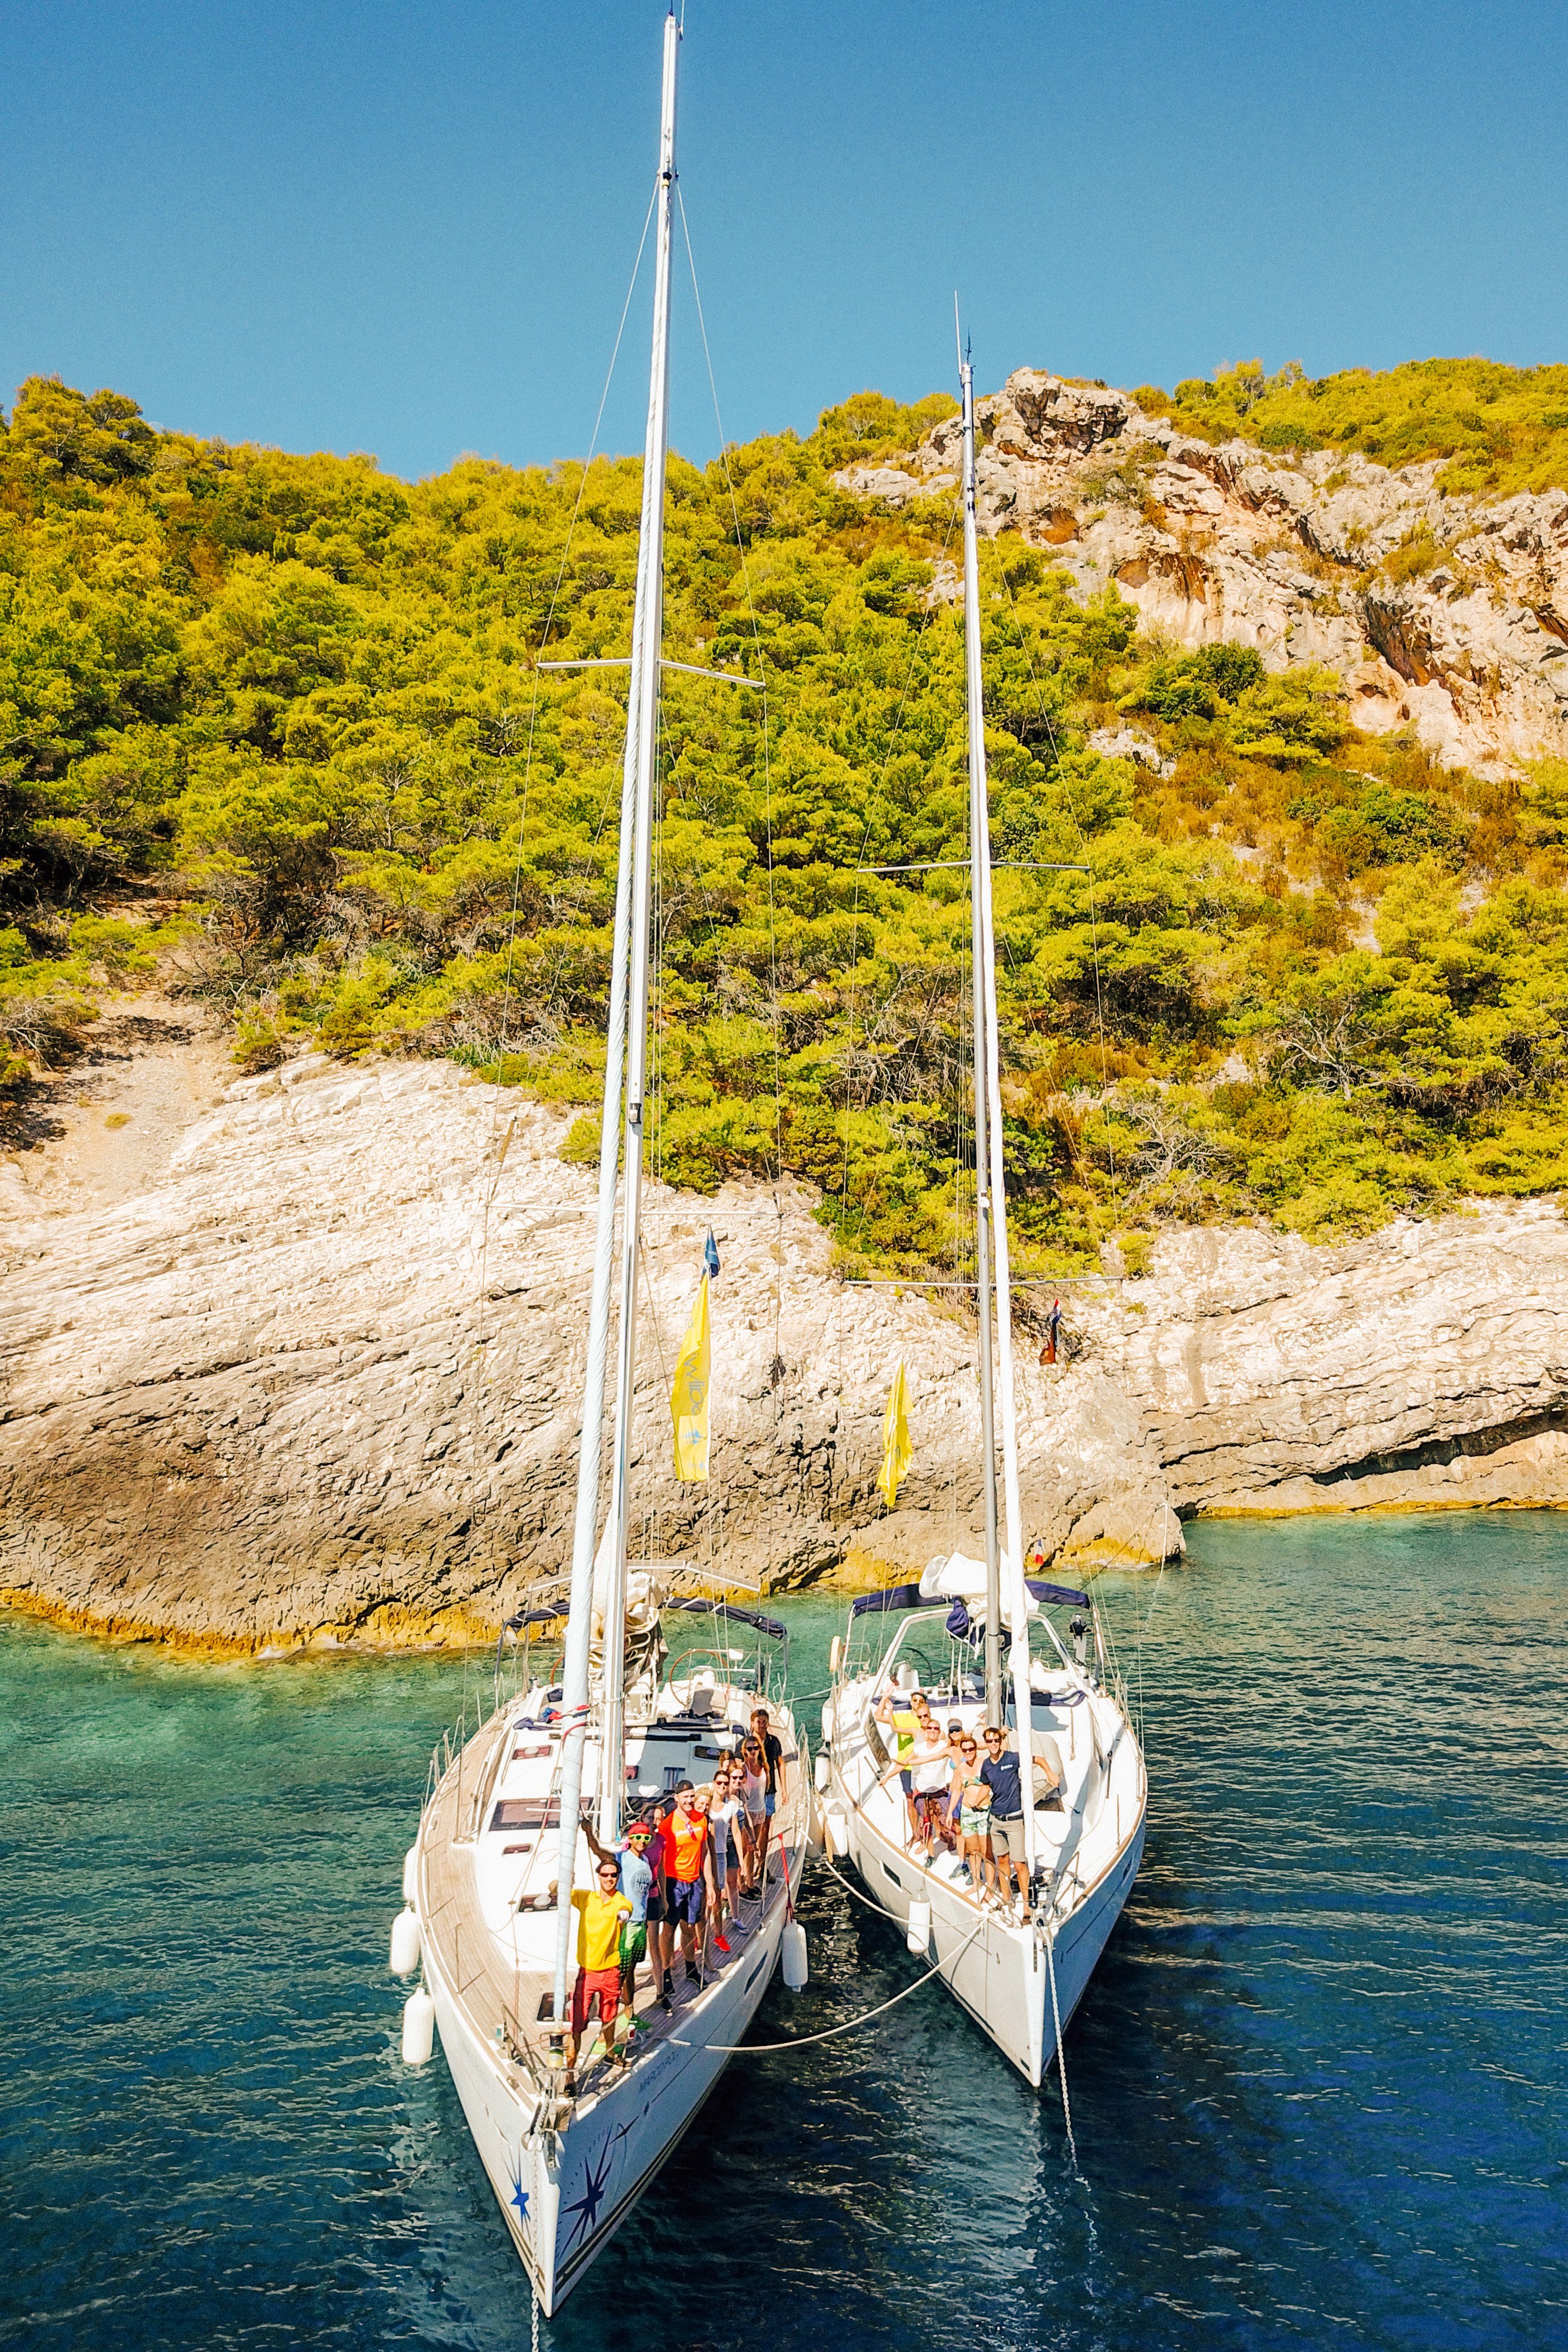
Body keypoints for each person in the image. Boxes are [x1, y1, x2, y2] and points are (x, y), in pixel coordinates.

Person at [553, 1856, 633, 2096]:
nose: (609, 1879)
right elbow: (555, 1891)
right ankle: (570, 2073)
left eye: (613, 1875)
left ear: (618, 1878)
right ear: (598, 1876)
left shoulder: (622, 1901)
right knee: (577, 2023)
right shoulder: (586, 1898)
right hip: (587, 1972)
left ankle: (610, 2054)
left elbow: (626, 1911)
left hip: (610, 1970)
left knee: (608, 2018)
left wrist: (623, 1916)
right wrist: (565, 1881)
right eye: (605, 1875)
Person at [586, 1814, 656, 2013]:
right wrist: (589, 1832)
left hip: (640, 1923)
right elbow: (598, 1850)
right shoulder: (621, 1858)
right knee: (619, 1973)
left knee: (631, 1970)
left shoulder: (645, 1861)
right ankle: (608, 2020)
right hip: (625, 1924)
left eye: (646, 1838)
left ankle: (629, 2013)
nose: (642, 1842)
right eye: (638, 1837)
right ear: (630, 1839)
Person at [656, 1779, 710, 1990]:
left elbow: (704, 1851)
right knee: (669, 1929)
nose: (689, 1800)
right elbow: (660, 1862)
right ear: (676, 1799)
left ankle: (690, 1969)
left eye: (691, 1796)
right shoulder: (667, 1826)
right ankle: (666, 1972)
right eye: (685, 1797)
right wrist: (662, 1895)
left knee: (689, 1927)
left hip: (694, 1880)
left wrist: (710, 1883)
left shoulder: (701, 1820)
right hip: (673, 1882)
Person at [979, 1724, 1032, 1920]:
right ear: (985, 1743)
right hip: (996, 1819)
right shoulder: (986, 1765)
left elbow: (1036, 1759)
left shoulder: (1012, 1758)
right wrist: (975, 1802)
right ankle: (1006, 1898)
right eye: (989, 1741)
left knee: (1019, 1863)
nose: (993, 1744)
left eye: (996, 1740)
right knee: (1002, 1860)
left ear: (1001, 1741)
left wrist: (1051, 1774)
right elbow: (986, 1786)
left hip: (1014, 1820)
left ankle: (1027, 1907)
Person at [945, 1734, 995, 1898]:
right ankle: (976, 1883)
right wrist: (951, 1812)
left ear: (976, 1749)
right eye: (965, 1750)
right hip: (967, 1812)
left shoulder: (985, 1764)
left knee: (987, 1851)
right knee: (973, 1851)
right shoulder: (961, 1767)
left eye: (971, 1749)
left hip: (984, 1811)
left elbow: (990, 1786)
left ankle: (990, 1886)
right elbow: (957, 1790)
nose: (968, 1752)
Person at [873, 1684, 923, 1843]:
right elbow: (878, 1716)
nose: (918, 1703)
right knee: (910, 1800)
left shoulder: (926, 1720)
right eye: (915, 1700)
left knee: (924, 1800)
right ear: (911, 1702)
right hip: (905, 1766)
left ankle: (925, 1833)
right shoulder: (903, 1718)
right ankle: (915, 1833)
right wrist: (886, 1697)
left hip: (921, 1764)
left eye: (921, 1701)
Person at [909, 1709, 952, 1860]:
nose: (933, 1731)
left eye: (936, 1729)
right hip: (922, 1790)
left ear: (940, 1731)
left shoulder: (944, 1746)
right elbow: (905, 1763)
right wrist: (887, 1777)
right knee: (927, 1823)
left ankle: (951, 1840)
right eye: (930, 1729)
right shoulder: (919, 1749)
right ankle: (931, 1854)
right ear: (926, 1732)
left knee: (948, 1818)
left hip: (940, 1790)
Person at [749, 1707, 784, 1884]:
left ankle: (762, 1866)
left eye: (764, 1722)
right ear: (752, 1723)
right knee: (751, 1829)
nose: (761, 1725)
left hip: (769, 1792)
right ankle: (748, 1869)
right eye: (758, 1722)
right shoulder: (747, 1743)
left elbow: (780, 1763)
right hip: (753, 1793)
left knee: (765, 1828)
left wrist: (784, 1789)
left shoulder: (774, 1741)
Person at [738, 1740, 768, 1892]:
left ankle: (750, 1882)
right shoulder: (743, 1769)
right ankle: (741, 1885)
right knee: (745, 1849)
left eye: (756, 1748)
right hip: (748, 1813)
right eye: (750, 1749)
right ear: (745, 1751)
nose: (753, 1751)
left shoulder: (764, 1767)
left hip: (760, 1810)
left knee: (752, 1849)